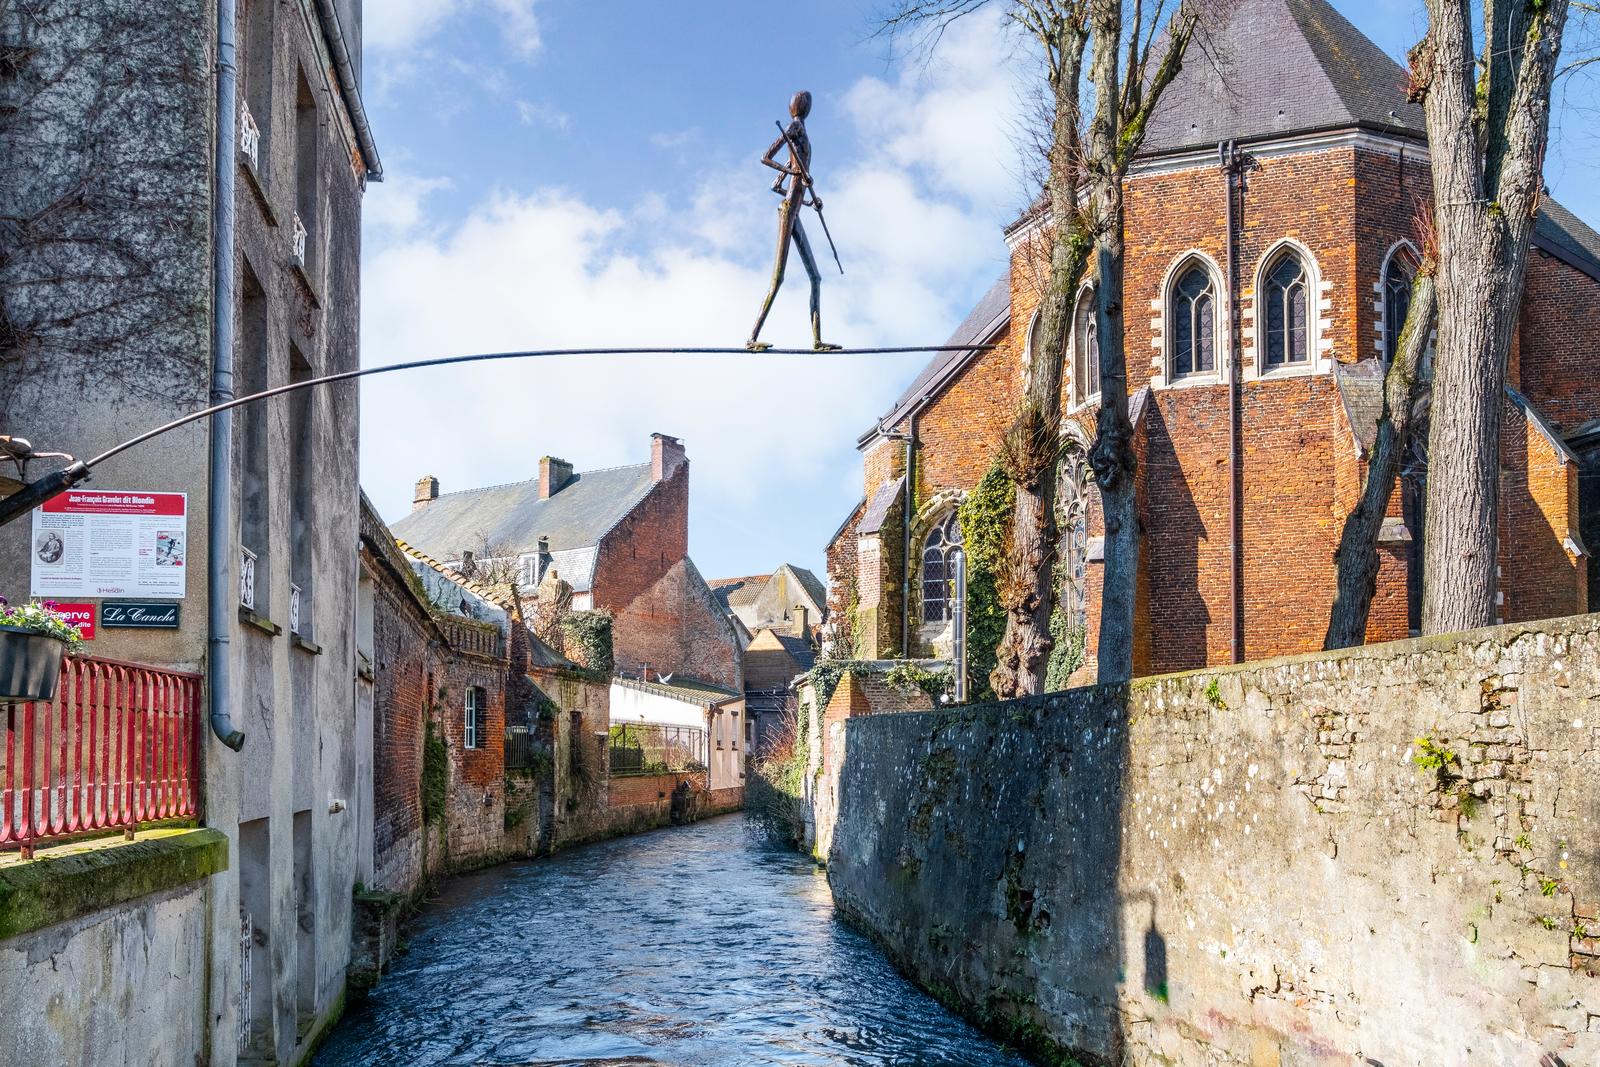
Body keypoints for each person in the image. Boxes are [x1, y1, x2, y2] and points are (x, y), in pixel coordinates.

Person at [747, 90, 840, 352]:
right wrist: (795, 171)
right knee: (778, 279)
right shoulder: (795, 127)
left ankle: (817, 340)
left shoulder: (801, 136)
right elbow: (766, 157)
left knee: (816, 277)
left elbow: (776, 186)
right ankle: (751, 338)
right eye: (806, 102)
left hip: (796, 210)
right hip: (788, 210)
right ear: (802, 106)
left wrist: (812, 201)